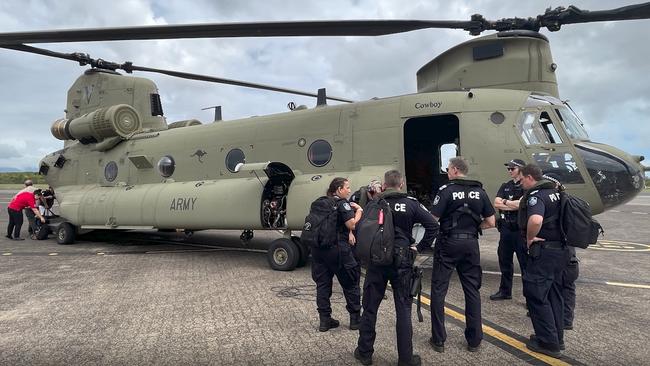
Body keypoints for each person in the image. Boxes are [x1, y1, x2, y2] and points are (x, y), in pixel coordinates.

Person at [354, 170, 439, 366]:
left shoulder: (374, 204)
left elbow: (361, 229)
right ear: (401, 184)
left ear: (384, 185)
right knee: (403, 310)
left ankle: (365, 353)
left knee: (370, 308)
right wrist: (419, 248)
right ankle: (406, 359)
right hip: (402, 261)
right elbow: (433, 226)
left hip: (377, 261)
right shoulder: (411, 203)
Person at [429, 157, 496, 353]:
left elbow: (433, 219)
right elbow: (491, 222)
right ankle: (474, 340)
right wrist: (474, 228)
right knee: (472, 291)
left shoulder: (446, 190)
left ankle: (439, 339)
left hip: (448, 243)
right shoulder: (480, 192)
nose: (447, 172)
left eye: (448, 169)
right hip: (470, 243)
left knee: (439, 290)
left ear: (456, 170)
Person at [518, 165, 571, 358]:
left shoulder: (537, 195)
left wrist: (530, 238)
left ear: (530, 177)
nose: (520, 182)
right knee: (554, 295)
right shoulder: (557, 192)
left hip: (544, 253)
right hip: (561, 252)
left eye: (522, 179)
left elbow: (535, 220)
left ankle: (548, 343)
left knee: (536, 295)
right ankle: (557, 338)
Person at [311, 177, 363, 332]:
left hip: (319, 250)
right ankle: (355, 319)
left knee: (323, 285)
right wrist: (359, 211)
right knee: (351, 283)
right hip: (338, 251)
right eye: (347, 187)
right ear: (339, 189)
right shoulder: (342, 204)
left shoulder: (320, 203)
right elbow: (351, 223)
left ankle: (325, 321)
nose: (349, 190)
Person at [542, 173, 579, 331]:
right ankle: (566, 319)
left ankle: (561, 320)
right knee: (567, 286)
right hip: (569, 251)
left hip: (558, 249)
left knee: (556, 285)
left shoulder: (553, 202)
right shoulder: (569, 200)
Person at [490, 159, 527, 301]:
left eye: (513, 168)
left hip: (520, 231)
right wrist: (509, 204)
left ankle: (530, 298)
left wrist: (505, 202)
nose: (510, 171)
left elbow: (522, 205)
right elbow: (496, 203)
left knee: (525, 265)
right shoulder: (505, 186)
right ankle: (505, 291)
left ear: (521, 169)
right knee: (504, 262)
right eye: (509, 169)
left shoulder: (526, 187)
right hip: (506, 230)